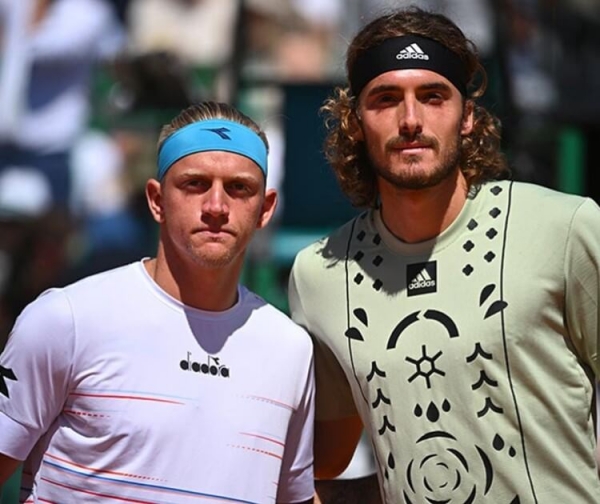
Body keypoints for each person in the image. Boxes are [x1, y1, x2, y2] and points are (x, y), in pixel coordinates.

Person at [288, 6, 600, 503]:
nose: (411, 120)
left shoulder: (566, 227)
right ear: (354, 122)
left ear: (468, 116)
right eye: (386, 99)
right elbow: (327, 463)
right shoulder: (319, 273)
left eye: (433, 97)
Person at [0, 101, 315, 504]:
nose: (216, 207)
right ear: (156, 200)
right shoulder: (66, 319)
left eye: (238, 188)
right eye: (195, 184)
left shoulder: (291, 349)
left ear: (265, 209)